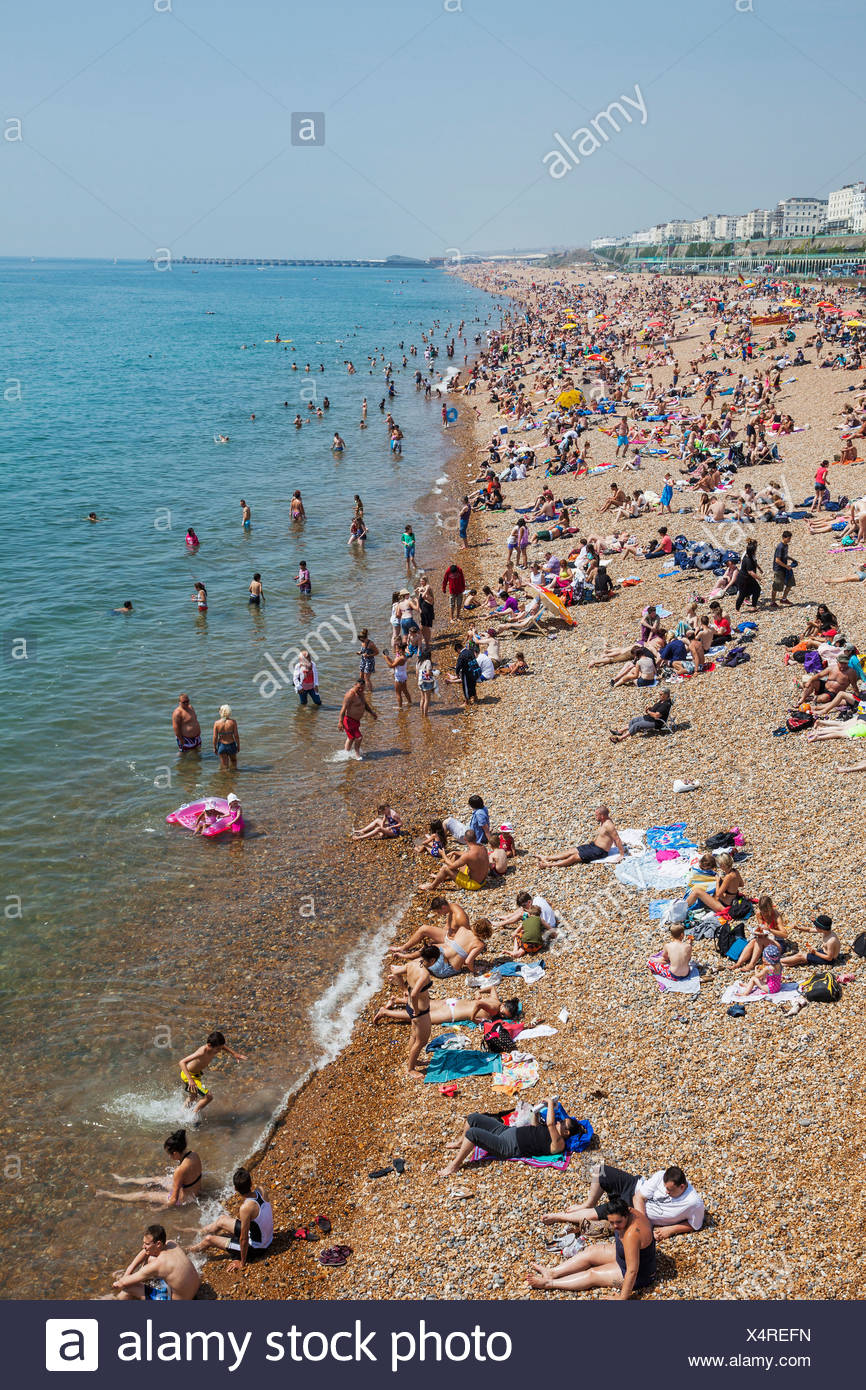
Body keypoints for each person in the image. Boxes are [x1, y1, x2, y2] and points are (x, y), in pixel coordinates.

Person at [529, 1195, 656, 1299]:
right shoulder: (626, 1210)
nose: (615, 1226)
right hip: (625, 1254)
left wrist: (622, 1298)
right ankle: (552, 1272)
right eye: (611, 1222)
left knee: (592, 1274)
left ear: (626, 1215)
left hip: (640, 1273)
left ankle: (549, 1283)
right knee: (591, 1251)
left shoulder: (632, 1234)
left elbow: (632, 1271)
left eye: (618, 1222)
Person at [543, 1162, 704, 1241]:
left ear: (682, 1186)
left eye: (670, 1190)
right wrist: (644, 1224)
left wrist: (671, 1230)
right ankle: (588, 1203)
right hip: (635, 1187)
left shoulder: (693, 1203)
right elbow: (639, 1196)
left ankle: (559, 1216)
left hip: (631, 1208)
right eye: (665, 1188)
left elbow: (695, 1225)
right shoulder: (662, 1176)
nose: (667, 1192)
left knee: (595, 1215)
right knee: (601, 1170)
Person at [439, 1096, 580, 1176]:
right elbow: (534, 1127)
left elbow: (550, 1123)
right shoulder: (552, 1132)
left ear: (566, 1132)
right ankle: (460, 1143)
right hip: (506, 1130)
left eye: (562, 1122)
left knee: (473, 1133)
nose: (559, 1122)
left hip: (507, 1145)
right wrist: (536, 1113)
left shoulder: (559, 1143)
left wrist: (550, 1104)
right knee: (474, 1117)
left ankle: (454, 1166)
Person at [190, 1168, 274, 1268]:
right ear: (251, 1183)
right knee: (221, 1220)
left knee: (209, 1240)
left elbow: (244, 1238)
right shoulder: (261, 1190)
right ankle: (200, 1231)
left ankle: (189, 1250)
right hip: (265, 1237)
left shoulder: (246, 1208)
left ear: (235, 1189)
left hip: (257, 1248)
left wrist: (242, 1262)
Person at [96, 1129, 202, 1207]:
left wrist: (161, 1209)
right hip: (193, 1192)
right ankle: (125, 1181)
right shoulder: (193, 1154)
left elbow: (173, 1200)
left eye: (169, 1154)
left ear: (175, 1153)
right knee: (157, 1179)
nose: (169, 1157)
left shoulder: (180, 1170)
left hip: (184, 1199)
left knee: (145, 1195)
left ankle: (112, 1195)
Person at [111, 1224, 200, 1300]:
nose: (143, 1246)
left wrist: (119, 1283)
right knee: (151, 1258)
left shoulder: (158, 1264)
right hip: (195, 1288)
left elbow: (123, 1283)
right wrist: (130, 1268)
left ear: (158, 1244)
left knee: (129, 1288)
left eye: (147, 1244)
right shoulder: (171, 1243)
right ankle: (143, 1279)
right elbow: (145, 1252)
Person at [374, 983, 517, 1027]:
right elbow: (479, 1004)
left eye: (504, 1016)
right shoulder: (494, 1009)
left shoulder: (496, 1001)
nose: (502, 1015)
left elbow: (492, 988)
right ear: (503, 1005)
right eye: (504, 1013)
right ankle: (385, 1012)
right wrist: (473, 1018)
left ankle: (397, 1000)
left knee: (425, 1004)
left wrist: (479, 991)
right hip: (451, 1013)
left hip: (452, 1002)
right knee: (419, 1016)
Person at [178, 1030, 247, 1118]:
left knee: (193, 1097)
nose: (219, 1051)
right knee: (208, 1097)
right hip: (189, 1076)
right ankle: (193, 1116)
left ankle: (181, 1113)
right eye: (218, 1049)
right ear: (209, 1045)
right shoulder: (202, 1052)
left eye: (220, 1048)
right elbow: (182, 1062)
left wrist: (234, 1054)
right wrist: (190, 1080)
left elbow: (223, 1047)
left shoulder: (214, 1047)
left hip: (196, 1075)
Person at [535, 805, 625, 865]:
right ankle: (547, 857)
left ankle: (549, 865)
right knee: (571, 851)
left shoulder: (609, 825)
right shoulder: (603, 821)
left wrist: (621, 854)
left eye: (597, 815)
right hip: (593, 846)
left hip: (600, 851)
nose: (595, 817)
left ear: (602, 816)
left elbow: (617, 839)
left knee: (575, 857)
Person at [404, 945, 438, 1079]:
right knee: (421, 1041)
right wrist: (417, 1012)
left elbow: (395, 972)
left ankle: (414, 1060)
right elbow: (414, 994)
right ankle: (411, 1069)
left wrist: (403, 989)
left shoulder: (413, 963)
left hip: (409, 1006)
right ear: (433, 960)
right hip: (420, 1012)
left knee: (414, 1034)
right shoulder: (424, 974)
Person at [418, 829, 490, 892]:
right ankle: (443, 877)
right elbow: (472, 857)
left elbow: (452, 866)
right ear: (475, 838)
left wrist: (443, 855)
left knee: (445, 868)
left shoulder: (468, 855)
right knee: (456, 855)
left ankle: (431, 886)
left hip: (473, 884)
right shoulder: (483, 848)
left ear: (465, 839)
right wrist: (455, 852)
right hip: (483, 881)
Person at [338, 678, 378, 759]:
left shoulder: (361, 693)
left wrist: (371, 712)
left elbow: (365, 704)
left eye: (362, 688)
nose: (360, 689)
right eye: (358, 687)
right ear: (355, 685)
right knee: (359, 738)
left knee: (351, 738)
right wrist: (340, 722)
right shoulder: (350, 695)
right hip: (348, 720)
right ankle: (357, 754)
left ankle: (346, 753)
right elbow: (343, 709)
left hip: (356, 721)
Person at [735, 538, 762, 611]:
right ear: (752, 551)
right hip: (743, 579)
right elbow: (750, 572)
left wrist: (759, 568)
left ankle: (754, 606)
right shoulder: (747, 559)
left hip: (749, 579)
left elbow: (755, 562)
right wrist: (759, 578)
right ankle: (737, 609)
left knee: (757, 589)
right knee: (742, 594)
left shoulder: (750, 556)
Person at [770, 530, 795, 608]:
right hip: (778, 569)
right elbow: (777, 560)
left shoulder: (786, 545)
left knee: (790, 583)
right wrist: (786, 566)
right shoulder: (780, 547)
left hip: (784, 568)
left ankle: (784, 599)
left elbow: (784, 555)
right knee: (776, 586)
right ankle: (772, 602)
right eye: (788, 538)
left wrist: (792, 559)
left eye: (790, 538)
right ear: (784, 538)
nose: (789, 540)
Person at [384, 642, 413, 708]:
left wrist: (385, 658)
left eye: (397, 649)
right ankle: (410, 702)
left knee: (398, 693)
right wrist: (388, 657)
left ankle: (400, 707)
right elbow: (394, 663)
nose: (396, 650)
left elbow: (391, 666)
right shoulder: (404, 656)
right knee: (405, 691)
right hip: (403, 674)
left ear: (400, 649)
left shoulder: (400, 658)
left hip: (399, 676)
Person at [212, 704, 240, 770]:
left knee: (224, 765)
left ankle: (225, 778)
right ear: (229, 712)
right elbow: (236, 736)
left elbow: (215, 737)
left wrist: (214, 747)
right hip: (231, 745)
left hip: (221, 745)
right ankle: (233, 776)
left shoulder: (216, 723)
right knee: (233, 761)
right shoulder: (233, 722)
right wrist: (238, 745)